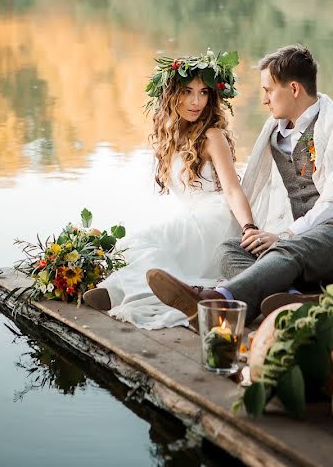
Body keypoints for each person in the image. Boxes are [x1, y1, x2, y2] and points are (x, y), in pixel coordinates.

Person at [146, 44, 333, 325]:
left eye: (268, 90)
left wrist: (285, 234)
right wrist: (258, 232)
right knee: (229, 250)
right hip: (308, 242)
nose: (264, 100)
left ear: (294, 89)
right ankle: (291, 297)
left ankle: (217, 303)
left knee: (285, 249)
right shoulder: (274, 133)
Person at [82, 50, 257, 330]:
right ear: (171, 95)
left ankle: (137, 293)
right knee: (141, 243)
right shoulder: (170, 137)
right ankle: (118, 291)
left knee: (142, 241)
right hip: (196, 218)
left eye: (203, 93)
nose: (196, 101)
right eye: (188, 91)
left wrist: (248, 227)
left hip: (218, 218)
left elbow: (233, 190)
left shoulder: (212, 135)